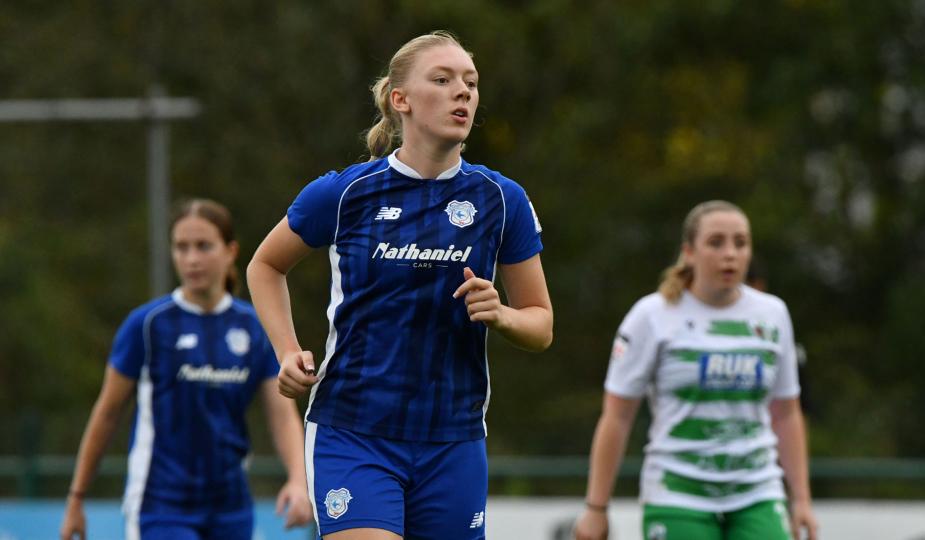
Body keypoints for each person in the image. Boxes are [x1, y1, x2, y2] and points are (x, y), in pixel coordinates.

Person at [246, 30, 553, 540]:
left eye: (471, 83)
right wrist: (286, 350)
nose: (464, 92)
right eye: (444, 79)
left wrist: (502, 315)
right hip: (354, 430)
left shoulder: (503, 200)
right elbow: (265, 266)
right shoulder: (346, 193)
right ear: (400, 99)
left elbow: (540, 324)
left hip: (453, 438)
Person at [60, 199, 313, 540]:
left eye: (203, 246)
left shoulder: (255, 327)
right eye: (181, 247)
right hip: (160, 505)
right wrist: (76, 498)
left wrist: (298, 480)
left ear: (230, 251)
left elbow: (281, 416)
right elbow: (106, 413)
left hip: (231, 506)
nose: (191, 259)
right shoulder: (147, 326)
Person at [574, 201, 818, 540]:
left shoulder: (773, 314)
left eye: (741, 243)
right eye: (716, 242)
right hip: (677, 492)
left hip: (757, 492)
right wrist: (596, 508)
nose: (730, 254)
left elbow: (787, 413)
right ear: (689, 252)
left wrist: (802, 500)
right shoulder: (651, 316)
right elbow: (617, 417)